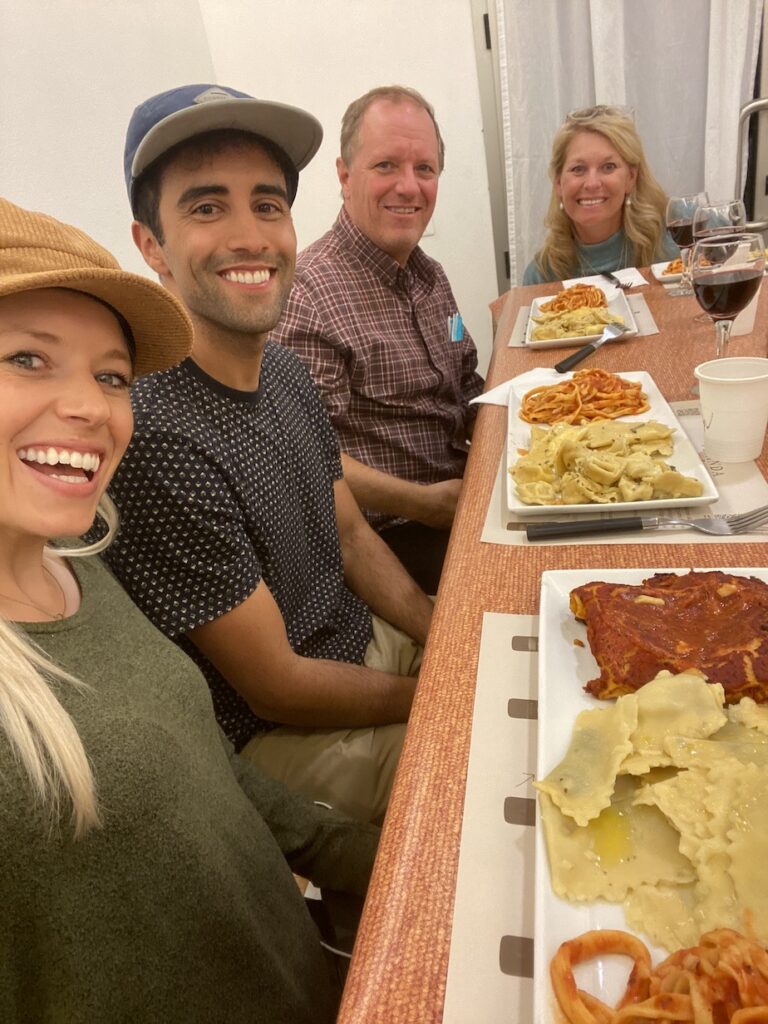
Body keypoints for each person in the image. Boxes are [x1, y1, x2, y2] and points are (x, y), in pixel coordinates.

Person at [0, 196, 379, 1023]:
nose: (93, 409)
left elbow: (201, 759)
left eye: (110, 375)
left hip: (298, 974)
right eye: (28, 359)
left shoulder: (75, 558)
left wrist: (354, 850)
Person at [103, 84, 434, 825]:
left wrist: (438, 632)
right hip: (278, 738)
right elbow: (276, 686)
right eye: (206, 206)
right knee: (496, 767)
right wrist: (442, 692)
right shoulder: (156, 435)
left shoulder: (283, 370)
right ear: (150, 244)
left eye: (268, 204)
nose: (251, 236)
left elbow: (349, 533)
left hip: (358, 646)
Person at [270, 86, 485, 594]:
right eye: (386, 165)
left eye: (425, 169)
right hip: (398, 536)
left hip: (467, 492)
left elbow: (465, 372)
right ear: (344, 175)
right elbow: (307, 460)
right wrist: (427, 505)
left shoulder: (432, 279)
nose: (409, 187)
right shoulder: (307, 297)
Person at [523, 104, 679, 284]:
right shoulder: (540, 275)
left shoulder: (675, 239)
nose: (592, 184)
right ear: (559, 183)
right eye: (578, 169)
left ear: (630, 177)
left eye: (608, 167)